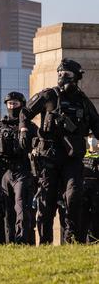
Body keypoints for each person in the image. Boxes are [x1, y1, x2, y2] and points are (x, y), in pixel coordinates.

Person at [21, 58, 99, 243]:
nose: (62, 77)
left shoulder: (83, 102)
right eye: (59, 74)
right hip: (49, 158)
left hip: (72, 159)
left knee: (74, 196)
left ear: (76, 78)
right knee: (47, 203)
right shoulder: (49, 96)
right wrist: (24, 130)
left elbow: (97, 126)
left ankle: (70, 236)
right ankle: (46, 242)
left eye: (66, 74)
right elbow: (25, 112)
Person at [0, 92, 37, 244]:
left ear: (22, 105)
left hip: (23, 171)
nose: (12, 106)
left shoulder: (29, 126)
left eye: (15, 104)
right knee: (9, 211)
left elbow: (40, 146)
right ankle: (11, 242)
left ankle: (22, 240)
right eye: (10, 104)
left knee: (21, 207)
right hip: (4, 173)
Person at [81, 135, 99, 242]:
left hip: (94, 182)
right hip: (83, 180)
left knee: (95, 218)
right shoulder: (80, 137)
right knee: (82, 217)